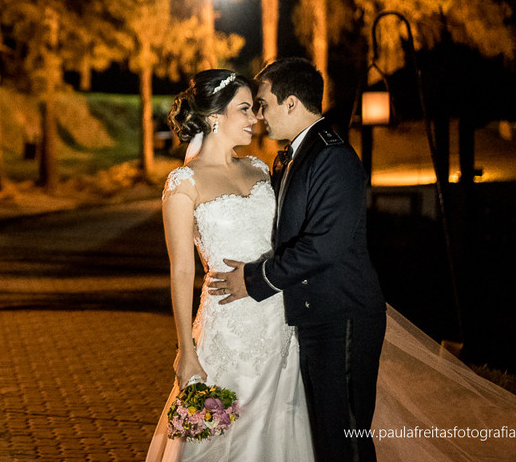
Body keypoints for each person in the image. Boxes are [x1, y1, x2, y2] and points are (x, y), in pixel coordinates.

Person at [210, 57, 385, 462]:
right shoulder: (289, 156)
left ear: (291, 104)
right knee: (324, 432)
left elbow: (324, 245)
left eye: (263, 104)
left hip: (342, 316)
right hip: (312, 315)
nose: (258, 115)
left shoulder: (334, 157)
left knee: (347, 433)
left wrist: (253, 280)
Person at [146, 69, 314, 462]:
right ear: (214, 118)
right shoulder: (182, 184)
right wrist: (186, 350)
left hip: (280, 323)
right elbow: (182, 272)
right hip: (226, 330)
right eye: (244, 108)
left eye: (254, 108)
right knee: (217, 440)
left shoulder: (258, 168)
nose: (255, 117)